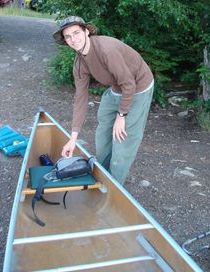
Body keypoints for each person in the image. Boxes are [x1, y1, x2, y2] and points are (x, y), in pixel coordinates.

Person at [53, 16, 154, 185]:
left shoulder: (106, 49)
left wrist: (121, 116)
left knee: (122, 141)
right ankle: (103, 176)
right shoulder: (79, 63)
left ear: (86, 31)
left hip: (137, 86)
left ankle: (114, 188)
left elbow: (129, 84)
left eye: (76, 33)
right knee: (102, 137)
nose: (73, 39)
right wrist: (73, 139)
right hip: (116, 88)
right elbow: (80, 98)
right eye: (68, 36)